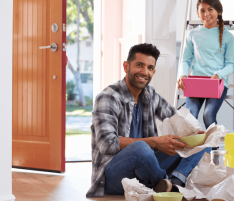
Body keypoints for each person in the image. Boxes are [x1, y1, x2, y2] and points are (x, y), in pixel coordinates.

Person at [86, 43, 210, 197]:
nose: (144, 72)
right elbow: (106, 144)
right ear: (126, 66)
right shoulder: (108, 97)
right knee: (141, 148)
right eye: (139, 65)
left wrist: (194, 134)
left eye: (150, 68)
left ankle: (175, 183)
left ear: (154, 71)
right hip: (113, 177)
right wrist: (154, 142)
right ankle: (166, 185)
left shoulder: (150, 94)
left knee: (205, 142)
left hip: (146, 168)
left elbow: (175, 118)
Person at [177, 0, 234, 129]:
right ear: (198, 13)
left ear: (218, 12)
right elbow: (185, 60)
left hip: (217, 83)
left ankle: (213, 149)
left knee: (208, 115)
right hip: (196, 83)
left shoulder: (227, 36)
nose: (206, 14)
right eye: (202, 10)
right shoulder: (192, 34)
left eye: (210, 9)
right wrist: (182, 75)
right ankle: (193, 149)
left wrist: (218, 75)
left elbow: (231, 64)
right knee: (190, 116)